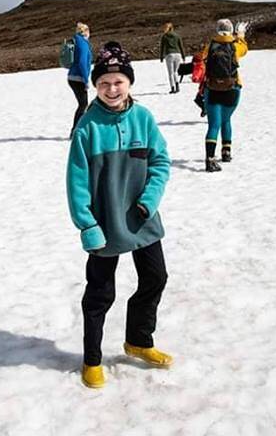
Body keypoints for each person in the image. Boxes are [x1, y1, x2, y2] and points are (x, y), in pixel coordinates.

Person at [67, 41, 173, 389]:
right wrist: (88, 225)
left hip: (142, 217)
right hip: (105, 222)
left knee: (155, 278)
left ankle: (139, 341)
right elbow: (77, 183)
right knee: (100, 294)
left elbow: (160, 162)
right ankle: (92, 359)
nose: (112, 89)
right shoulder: (87, 127)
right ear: (96, 86)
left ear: (129, 83)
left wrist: (150, 198)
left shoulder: (143, 118)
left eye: (118, 82)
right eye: (104, 83)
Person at [198, 19, 249, 172]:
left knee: (214, 125)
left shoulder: (210, 46)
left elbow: (203, 60)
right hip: (232, 88)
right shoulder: (236, 46)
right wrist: (240, 36)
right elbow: (245, 49)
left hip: (212, 89)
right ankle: (226, 152)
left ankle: (210, 159)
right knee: (226, 120)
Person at [67, 22, 93, 134]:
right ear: (85, 31)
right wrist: (85, 80)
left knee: (83, 105)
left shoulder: (76, 41)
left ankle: (78, 130)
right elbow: (82, 62)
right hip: (78, 78)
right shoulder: (82, 43)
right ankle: (76, 131)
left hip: (73, 76)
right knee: (83, 105)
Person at [159, 23, 186, 94]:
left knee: (170, 73)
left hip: (169, 54)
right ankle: (177, 86)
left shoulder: (164, 36)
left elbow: (162, 47)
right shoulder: (177, 36)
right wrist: (183, 56)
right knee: (175, 72)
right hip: (178, 54)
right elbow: (181, 46)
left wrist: (161, 57)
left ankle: (173, 88)